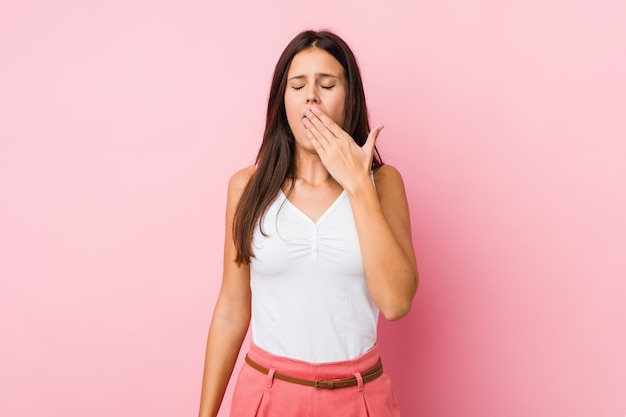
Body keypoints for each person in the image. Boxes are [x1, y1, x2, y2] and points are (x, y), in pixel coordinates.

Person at [198, 29, 418, 417]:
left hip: (359, 397)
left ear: (349, 97)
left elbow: (397, 302)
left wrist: (357, 186)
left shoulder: (383, 185)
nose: (311, 96)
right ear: (283, 101)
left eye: (327, 84)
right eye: (298, 85)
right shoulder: (245, 187)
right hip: (267, 395)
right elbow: (232, 308)